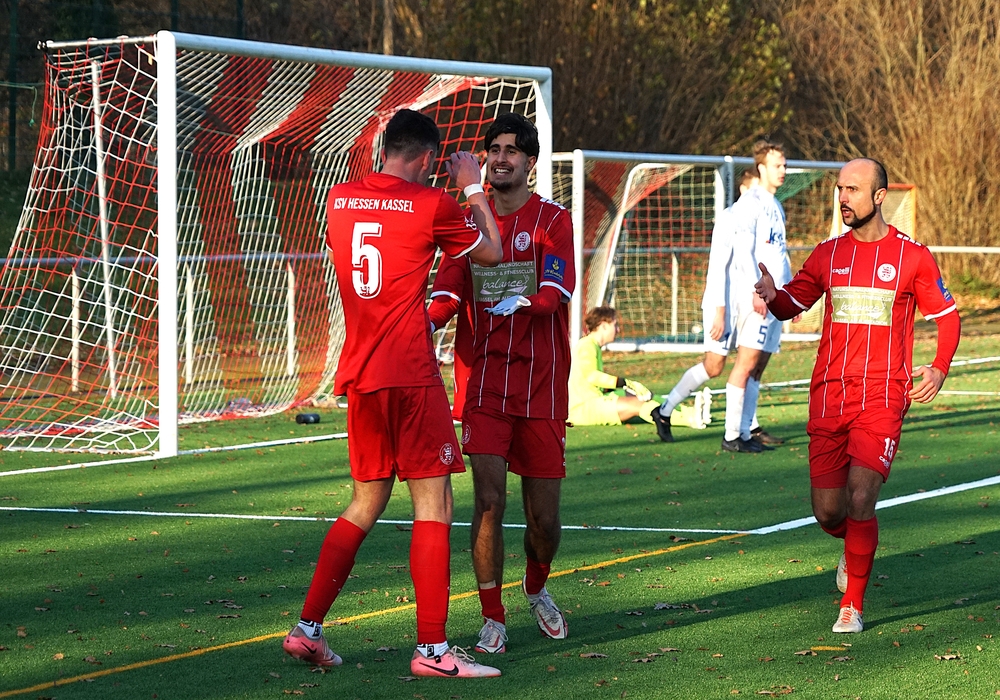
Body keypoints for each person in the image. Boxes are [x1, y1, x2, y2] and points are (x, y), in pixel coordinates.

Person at [282, 109, 506, 678]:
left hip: (360, 374)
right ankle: (432, 651)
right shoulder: (433, 203)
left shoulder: (338, 198)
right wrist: (472, 186)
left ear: (385, 149)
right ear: (428, 159)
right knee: (435, 505)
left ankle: (307, 629)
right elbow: (492, 251)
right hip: (409, 371)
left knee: (365, 501)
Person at [755, 157, 961, 634]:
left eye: (852, 189)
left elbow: (947, 317)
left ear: (879, 196)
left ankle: (853, 604)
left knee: (862, 497)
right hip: (829, 396)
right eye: (840, 189)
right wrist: (771, 293)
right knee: (829, 512)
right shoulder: (828, 254)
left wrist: (939, 367)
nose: (843, 198)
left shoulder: (913, 257)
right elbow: (791, 303)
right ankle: (851, 548)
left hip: (883, 398)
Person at [427, 113, 574, 655]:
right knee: (488, 501)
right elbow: (447, 292)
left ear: (530, 162)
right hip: (485, 384)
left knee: (545, 522)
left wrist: (526, 300)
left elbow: (555, 295)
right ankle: (492, 615)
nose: (501, 158)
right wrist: (422, 322)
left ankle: (536, 586)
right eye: (494, 149)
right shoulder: (467, 224)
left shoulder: (554, 221)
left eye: (512, 150)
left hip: (542, 387)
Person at [654, 168, 761, 443]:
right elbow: (717, 267)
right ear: (743, 190)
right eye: (754, 190)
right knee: (714, 366)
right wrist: (720, 311)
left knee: (749, 362)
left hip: (747, 305)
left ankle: (748, 427)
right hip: (723, 306)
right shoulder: (729, 219)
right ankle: (664, 410)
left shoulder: (760, 221)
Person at [710, 140, 792, 452]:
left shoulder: (776, 205)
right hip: (759, 299)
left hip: (776, 299)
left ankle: (747, 431)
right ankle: (732, 436)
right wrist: (758, 290)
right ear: (761, 168)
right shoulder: (750, 204)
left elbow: (780, 254)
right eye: (776, 165)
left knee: (758, 366)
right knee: (746, 364)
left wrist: (791, 294)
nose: (782, 170)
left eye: (784, 165)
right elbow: (744, 253)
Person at [568, 306, 703, 430]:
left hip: (594, 400)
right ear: (603, 326)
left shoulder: (591, 345)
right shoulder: (587, 346)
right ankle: (689, 419)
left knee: (644, 396)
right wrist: (625, 383)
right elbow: (592, 376)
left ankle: (690, 411)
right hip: (583, 409)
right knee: (638, 405)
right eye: (615, 325)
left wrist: (625, 388)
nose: (618, 330)